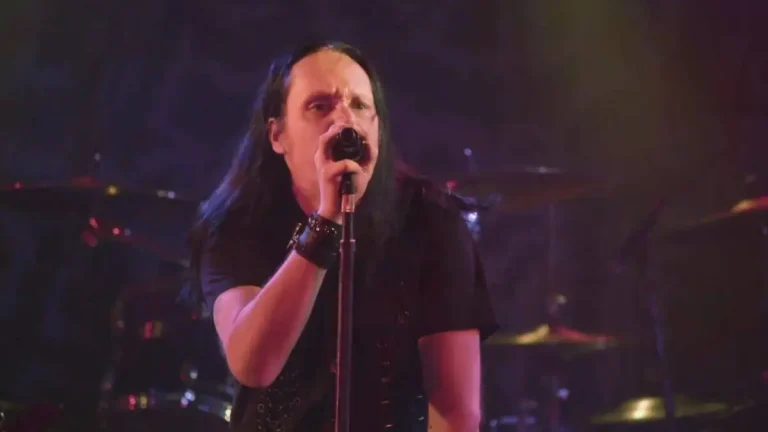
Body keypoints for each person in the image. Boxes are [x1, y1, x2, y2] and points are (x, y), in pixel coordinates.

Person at [187, 40, 499, 432]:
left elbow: (456, 413)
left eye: (359, 105)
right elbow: (253, 364)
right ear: (278, 135)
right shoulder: (236, 224)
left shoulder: (432, 223)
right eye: (320, 106)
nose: (343, 119)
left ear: (377, 130)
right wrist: (327, 220)